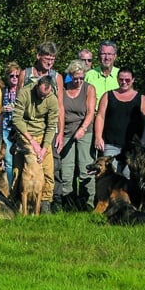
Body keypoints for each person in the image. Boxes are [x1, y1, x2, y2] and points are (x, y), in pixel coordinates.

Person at [11, 75, 60, 212]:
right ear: (37, 86)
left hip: (43, 136)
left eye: (46, 94)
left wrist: (44, 149)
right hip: (25, 135)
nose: (43, 97)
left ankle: (44, 204)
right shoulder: (25, 93)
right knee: (18, 172)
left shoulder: (52, 99)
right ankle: (16, 204)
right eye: (41, 94)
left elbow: (51, 126)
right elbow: (16, 119)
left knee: (48, 172)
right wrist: (31, 141)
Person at [54, 60, 97, 210]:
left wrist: (83, 128)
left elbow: (91, 112)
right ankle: (69, 204)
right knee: (66, 170)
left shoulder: (89, 89)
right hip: (66, 132)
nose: (78, 81)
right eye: (75, 78)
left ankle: (88, 204)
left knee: (85, 169)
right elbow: (60, 110)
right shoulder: (64, 89)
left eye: (81, 78)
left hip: (85, 131)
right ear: (70, 76)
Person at [93, 68, 145, 177]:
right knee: (110, 176)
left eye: (127, 80)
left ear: (133, 80)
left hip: (133, 147)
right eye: (121, 79)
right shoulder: (108, 96)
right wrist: (98, 137)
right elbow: (100, 116)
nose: (124, 82)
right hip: (111, 144)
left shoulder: (141, 98)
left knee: (129, 177)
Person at [0, 63, 24, 183]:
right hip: (5, 129)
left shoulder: (24, 92)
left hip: (20, 131)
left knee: (21, 162)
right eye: (11, 75)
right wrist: (3, 109)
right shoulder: (2, 91)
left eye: (17, 76)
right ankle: (8, 191)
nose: (14, 78)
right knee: (8, 161)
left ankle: (18, 190)